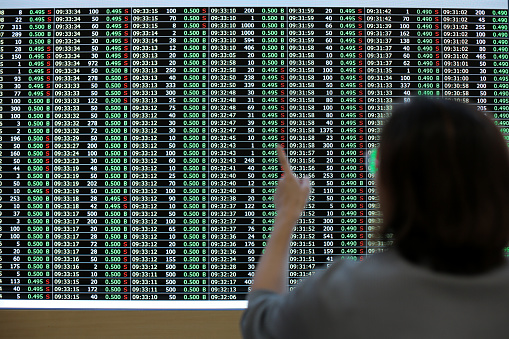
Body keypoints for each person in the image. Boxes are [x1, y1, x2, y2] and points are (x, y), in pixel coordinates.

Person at [241, 98, 509, 339]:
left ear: (395, 185)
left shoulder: (339, 295)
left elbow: (259, 320)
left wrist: (286, 216)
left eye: (377, 165)